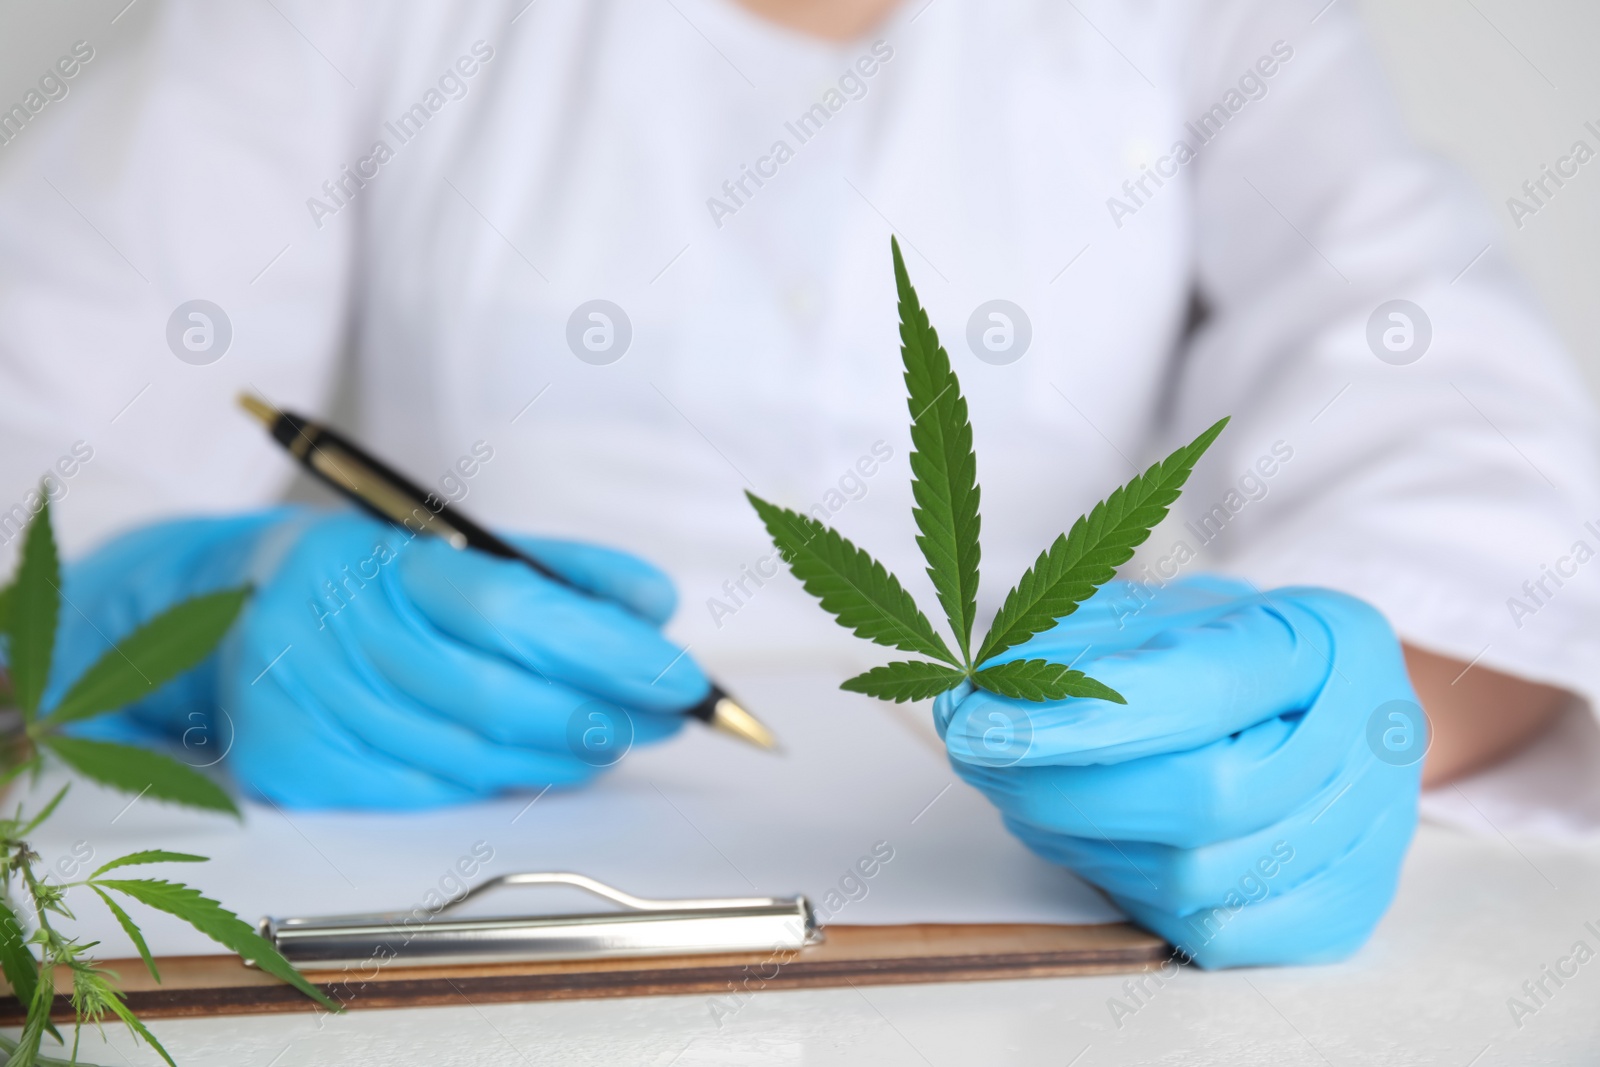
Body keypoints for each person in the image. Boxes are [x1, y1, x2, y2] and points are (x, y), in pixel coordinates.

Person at [0, 0, 1595, 968]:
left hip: (1013, 867)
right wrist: (192, 629)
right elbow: (42, 397)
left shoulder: (1221, 27)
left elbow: (1461, 449)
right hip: (433, 887)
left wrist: (1329, 715)